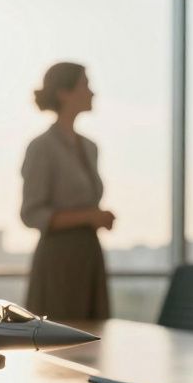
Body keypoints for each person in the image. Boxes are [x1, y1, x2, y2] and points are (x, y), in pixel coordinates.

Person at [20, 63, 114, 321]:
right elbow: (32, 214)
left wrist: (97, 218)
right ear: (65, 92)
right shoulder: (42, 147)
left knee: (94, 336)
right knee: (58, 340)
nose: (92, 92)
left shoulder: (90, 147)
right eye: (85, 84)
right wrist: (89, 217)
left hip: (89, 256)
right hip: (58, 261)